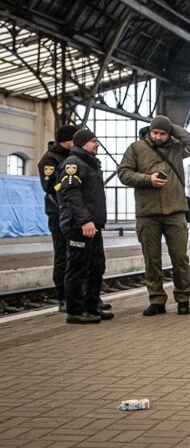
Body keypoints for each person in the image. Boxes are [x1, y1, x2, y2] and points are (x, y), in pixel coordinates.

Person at [118, 115, 190, 316]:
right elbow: (123, 173)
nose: (158, 137)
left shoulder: (176, 148)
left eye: (162, 133)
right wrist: (147, 179)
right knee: (152, 260)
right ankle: (156, 300)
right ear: (149, 131)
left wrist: (171, 126)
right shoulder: (136, 148)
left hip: (175, 212)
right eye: (155, 132)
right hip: (148, 213)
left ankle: (183, 299)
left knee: (180, 259)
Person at [57, 129, 113, 324]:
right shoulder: (73, 164)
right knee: (78, 267)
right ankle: (75, 311)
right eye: (93, 141)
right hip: (79, 225)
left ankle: (91, 305)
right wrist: (84, 221)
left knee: (96, 266)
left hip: (93, 225)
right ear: (81, 143)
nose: (97, 144)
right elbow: (71, 193)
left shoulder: (90, 163)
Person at [38, 124, 78, 312]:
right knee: (62, 254)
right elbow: (50, 187)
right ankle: (63, 297)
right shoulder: (49, 159)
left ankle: (80, 295)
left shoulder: (75, 157)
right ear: (67, 141)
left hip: (77, 212)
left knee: (80, 255)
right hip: (59, 212)